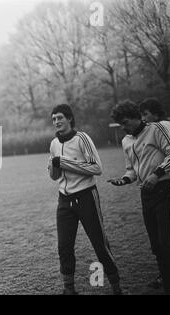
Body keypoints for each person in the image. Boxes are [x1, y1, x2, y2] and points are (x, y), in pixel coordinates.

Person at [48, 104, 122, 295]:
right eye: (54, 119)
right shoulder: (53, 144)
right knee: (64, 247)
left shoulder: (82, 138)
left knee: (99, 245)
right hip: (64, 200)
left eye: (60, 118)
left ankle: (117, 288)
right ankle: (69, 289)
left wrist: (63, 162)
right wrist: (54, 166)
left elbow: (96, 168)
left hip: (86, 196)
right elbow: (54, 177)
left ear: (70, 119)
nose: (56, 122)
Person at [109, 100, 170, 295]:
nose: (124, 127)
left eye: (126, 122)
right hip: (146, 194)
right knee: (155, 244)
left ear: (137, 116)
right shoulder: (126, 141)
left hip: (164, 189)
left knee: (166, 243)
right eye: (121, 124)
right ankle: (166, 281)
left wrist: (157, 173)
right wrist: (125, 179)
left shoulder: (156, 129)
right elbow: (132, 170)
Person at [138, 97, 170, 289]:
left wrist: (157, 172)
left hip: (166, 185)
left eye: (146, 114)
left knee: (165, 239)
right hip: (160, 185)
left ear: (156, 114)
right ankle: (165, 275)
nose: (143, 119)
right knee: (161, 239)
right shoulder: (154, 130)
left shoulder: (161, 127)